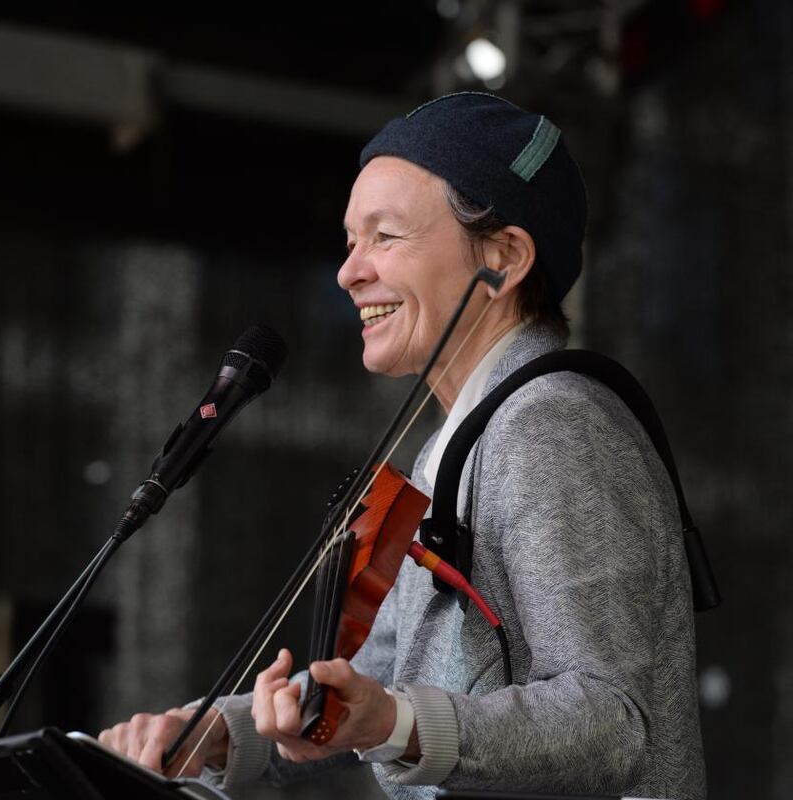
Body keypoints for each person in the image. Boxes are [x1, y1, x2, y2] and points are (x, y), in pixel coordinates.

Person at [98, 92, 706, 800]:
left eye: (384, 237)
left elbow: (611, 723)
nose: (348, 272)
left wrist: (396, 724)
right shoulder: (457, 440)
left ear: (504, 257)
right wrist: (220, 732)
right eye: (351, 241)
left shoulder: (553, 426)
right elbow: (382, 681)